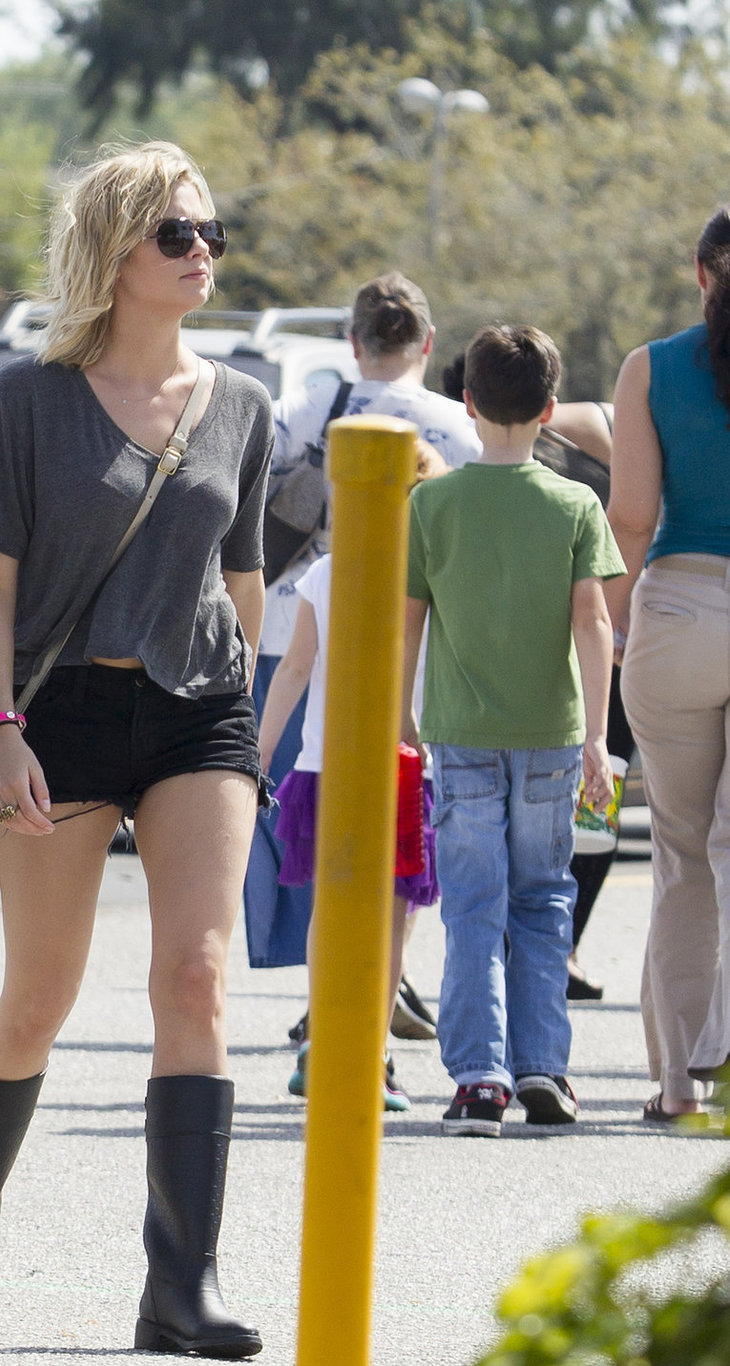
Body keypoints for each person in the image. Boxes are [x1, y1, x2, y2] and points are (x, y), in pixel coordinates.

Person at [0, 142, 270, 1359]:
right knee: (40, 994)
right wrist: (0, 724)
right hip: (58, 714)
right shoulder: (28, 399)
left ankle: (181, 1284)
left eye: (211, 235)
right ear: (114, 250)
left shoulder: (241, 404)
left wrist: (243, 728)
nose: (201, 256)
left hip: (196, 708)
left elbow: (246, 580)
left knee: (195, 974)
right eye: (177, 235)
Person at [403, 324, 624, 1137]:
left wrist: (401, 714)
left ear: (467, 402)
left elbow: (406, 625)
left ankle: (479, 1080)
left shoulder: (431, 502)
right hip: (554, 736)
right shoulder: (574, 503)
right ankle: (545, 1068)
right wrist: (599, 735)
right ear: (551, 409)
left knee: (472, 903)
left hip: (459, 733)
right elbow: (594, 623)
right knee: (543, 899)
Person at [254, 273, 479, 1042]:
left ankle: (329, 1005)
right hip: (410, 671)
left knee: (315, 849)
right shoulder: (456, 427)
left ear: (354, 342)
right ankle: (379, 1003)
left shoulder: (310, 404)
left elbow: (247, 473)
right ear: (426, 343)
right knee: (402, 868)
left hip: (293, 640)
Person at [257, 443, 448, 1113]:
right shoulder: (426, 575)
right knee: (394, 917)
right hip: (403, 763)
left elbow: (293, 670)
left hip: (322, 764)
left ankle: (325, 1029)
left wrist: (260, 750)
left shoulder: (326, 573)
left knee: (331, 907)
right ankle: (371, 1050)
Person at [444, 353, 625, 1003]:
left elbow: (634, 523)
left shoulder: (594, 432)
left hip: (608, 636)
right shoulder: (522, 455)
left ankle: (556, 950)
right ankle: (551, 954)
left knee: (590, 814)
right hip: (598, 645)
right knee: (586, 818)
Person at [607, 203, 730, 1122]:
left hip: (680, 611)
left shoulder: (650, 368)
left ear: (701, 270)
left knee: (683, 858)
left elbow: (634, 519)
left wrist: (607, 636)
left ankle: (679, 1080)